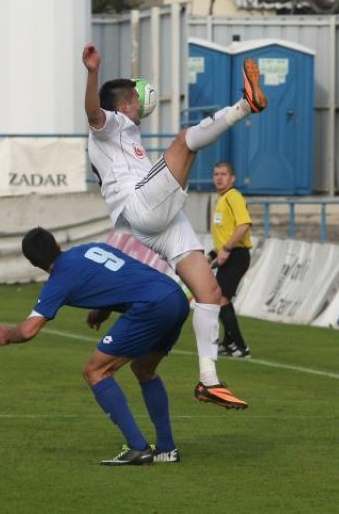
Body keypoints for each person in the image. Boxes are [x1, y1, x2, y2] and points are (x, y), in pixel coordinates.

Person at [82, 42, 267, 410]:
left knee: (209, 293)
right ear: (122, 106)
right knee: (185, 140)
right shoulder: (109, 123)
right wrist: (92, 73)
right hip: (141, 205)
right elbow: (92, 112)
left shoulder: (127, 133)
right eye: (136, 97)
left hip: (153, 220)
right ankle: (247, 104)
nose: (141, 101)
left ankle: (208, 381)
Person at [0, 227, 188, 466]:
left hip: (151, 306)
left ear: (33, 263)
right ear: (56, 243)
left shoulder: (58, 281)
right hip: (174, 295)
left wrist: (6, 335)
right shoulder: (91, 248)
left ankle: (138, 448)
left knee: (96, 372)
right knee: (144, 369)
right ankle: (166, 449)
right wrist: (102, 310)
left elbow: (28, 330)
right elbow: (120, 275)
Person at [209, 161, 253, 358]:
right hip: (229, 254)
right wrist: (211, 254)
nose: (219, 177)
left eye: (223, 174)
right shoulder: (222, 199)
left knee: (220, 298)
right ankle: (228, 344)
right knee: (219, 298)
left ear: (232, 178)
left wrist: (226, 249)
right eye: (216, 174)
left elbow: (243, 225)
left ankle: (242, 347)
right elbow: (224, 233)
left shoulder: (233, 196)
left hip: (237, 255)